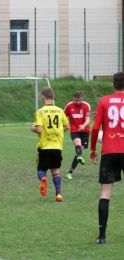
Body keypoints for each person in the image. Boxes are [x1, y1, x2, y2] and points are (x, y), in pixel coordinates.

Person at [90, 71, 124, 244]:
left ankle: (102, 237)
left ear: (113, 85)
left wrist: (93, 148)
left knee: (105, 194)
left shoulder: (104, 101)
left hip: (109, 151)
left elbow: (95, 129)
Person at [31, 86, 69, 202]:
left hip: (44, 146)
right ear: (53, 97)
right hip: (57, 146)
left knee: (41, 170)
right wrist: (57, 133)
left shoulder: (40, 112)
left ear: (42, 97)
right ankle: (58, 194)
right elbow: (67, 126)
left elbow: (39, 130)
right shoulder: (60, 111)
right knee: (55, 170)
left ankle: (43, 178)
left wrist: (32, 128)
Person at [64, 91, 91, 179]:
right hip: (75, 130)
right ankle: (80, 156)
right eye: (76, 100)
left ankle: (70, 172)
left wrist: (83, 125)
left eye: (80, 100)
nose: (78, 102)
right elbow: (63, 117)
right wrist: (66, 125)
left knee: (79, 150)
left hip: (85, 130)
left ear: (82, 99)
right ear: (73, 99)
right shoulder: (69, 106)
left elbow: (88, 119)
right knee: (78, 144)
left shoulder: (86, 106)